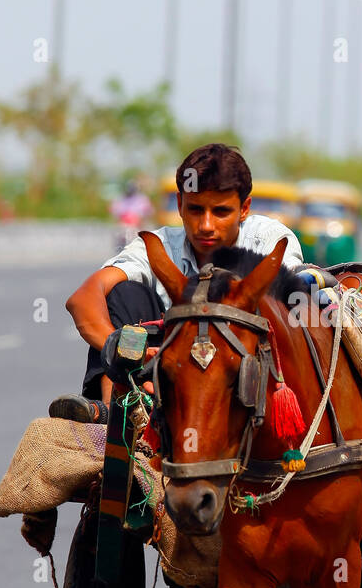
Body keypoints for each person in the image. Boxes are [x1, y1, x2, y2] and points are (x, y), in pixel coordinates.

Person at [50, 143, 303, 422]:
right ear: (180, 206)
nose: (206, 225)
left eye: (220, 212)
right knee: (124, 293)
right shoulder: (156, 247)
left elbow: (291, 306)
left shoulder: (269, 241)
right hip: (159, 376)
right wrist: (128, 353)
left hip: (241, 382)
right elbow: (83, 298)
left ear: (244, 209)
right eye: (195, 210)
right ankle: (118, 416)